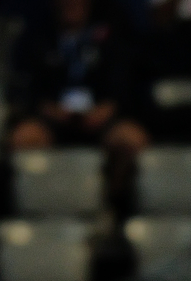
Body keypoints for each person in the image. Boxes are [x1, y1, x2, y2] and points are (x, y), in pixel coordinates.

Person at [8, 0, 148, 162]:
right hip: (53, 119)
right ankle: (40, 186)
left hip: (101, 118)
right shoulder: (36, 38)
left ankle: (116, 187)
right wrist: (50, 110)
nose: (71, 3)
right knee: (24, 137)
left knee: (130, 138)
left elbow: (125, 85)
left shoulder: (112, 36)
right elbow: (27, 89)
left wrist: (106, 110)